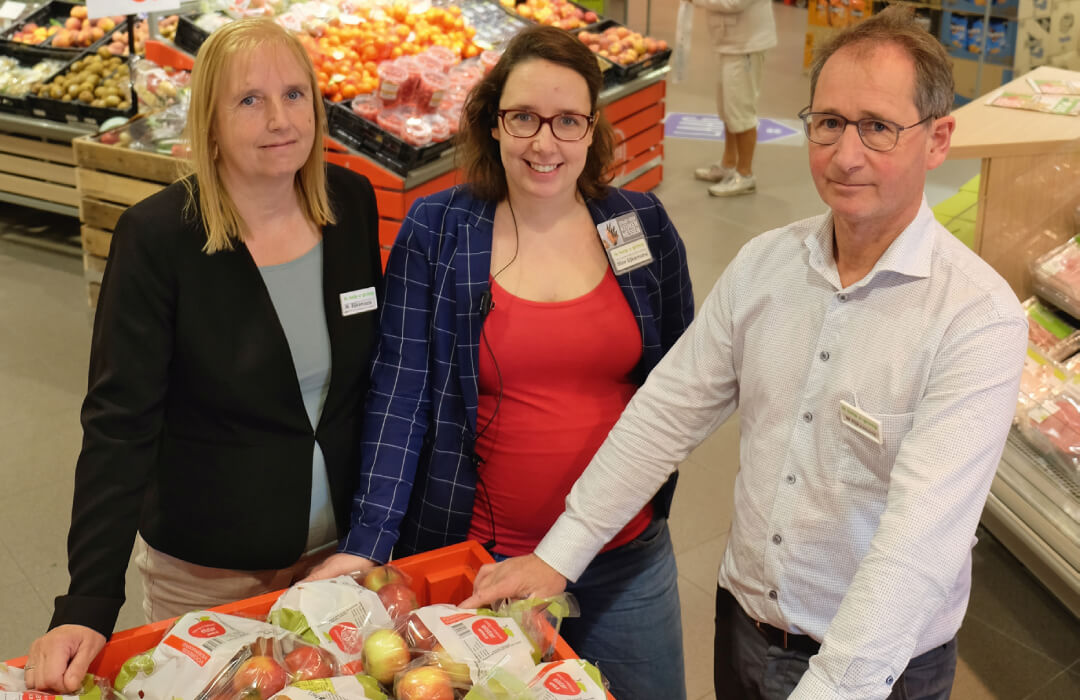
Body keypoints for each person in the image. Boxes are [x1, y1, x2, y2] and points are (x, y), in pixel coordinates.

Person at [461, 8, 1028, 700]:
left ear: (938, 139)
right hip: (745, 632)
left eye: (878, 127)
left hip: (876, 670)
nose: (846, 155)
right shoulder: (767, 264)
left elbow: (920, 540)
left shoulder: (976, 318)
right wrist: (561, 553)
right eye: (828, 123)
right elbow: (667, 410)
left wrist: (832, 689)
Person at [306, 25, 694, 700]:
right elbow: (401, 393)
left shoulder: (640, 226)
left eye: (567, 121)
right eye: (523, 119)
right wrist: (371, 538)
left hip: (625, 557)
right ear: (492, 123)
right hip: (485, 561)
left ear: (592, 128)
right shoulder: (439, 230)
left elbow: (683, 388)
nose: (545, 144)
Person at [24, 18, 382, 694]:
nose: (280, 119)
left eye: (295, 94)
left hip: (340, 561)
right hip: (211, 573)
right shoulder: (159, 240)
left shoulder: (350, 205)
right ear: (210, 121)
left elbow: (372, 382)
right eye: (249, 100)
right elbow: (118, 426)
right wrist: (87, 602)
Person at [688, 0, 776, 197]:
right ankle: (729, 164)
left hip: (746, 44)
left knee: (741, 110)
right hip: (730, 42)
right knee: (728, 109)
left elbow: (734, 3)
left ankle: (745, 174)